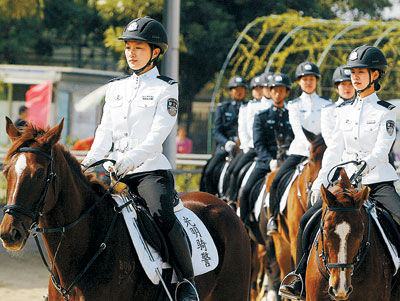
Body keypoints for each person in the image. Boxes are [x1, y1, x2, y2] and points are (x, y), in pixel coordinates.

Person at [81, 16, 199, 301]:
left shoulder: (165, 88)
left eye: (139, 48)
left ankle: (186, 281)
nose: (131, 53)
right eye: (128, 47)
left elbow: (157, 136)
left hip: (148, 172)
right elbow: (104, 131)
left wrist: (128, 161)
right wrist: (85, 164)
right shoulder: (116, 88)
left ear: (155, 52)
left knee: (160, 213)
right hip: (113, 171)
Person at [280, 45, 400, 299]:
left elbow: (381, 151)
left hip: (376, 182)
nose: (354, 77)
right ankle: (299, 276)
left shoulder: (387, 111)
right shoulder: (341, 112)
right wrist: (321, 180)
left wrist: (362, 169)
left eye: (360, 72)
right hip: (342, 183)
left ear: (375, 75)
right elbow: (334, 149)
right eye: (352, 72)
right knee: (306, 220)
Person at [267, 62, 331, 235]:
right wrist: (312, 147)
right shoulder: (293, 105)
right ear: (300, 82)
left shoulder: (327, 104)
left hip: (324, 153)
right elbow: (297, 130)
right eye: (305, 79)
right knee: (276, 181)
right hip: (300, 151)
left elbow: (328, 129)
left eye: (311, 79)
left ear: (316, 81)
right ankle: (273, 218)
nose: (308, 82)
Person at [239, 73, 293, 226]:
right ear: (269, 91)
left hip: (288, 161)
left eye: (282, 90)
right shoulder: (261, 117)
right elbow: (258, 144)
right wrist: (269, 161)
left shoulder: (292, 115)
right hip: (266, 161)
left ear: (287, 92)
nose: (278, 93)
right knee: (245, 191)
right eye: (274, 90)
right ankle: (243, 225)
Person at [223, 74, 272, 204]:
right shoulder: (250, 106)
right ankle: (232, 198)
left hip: (272, 149)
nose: (262, 90)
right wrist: (246, 146)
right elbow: (243, 129)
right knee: (234, 170)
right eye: (262, 87)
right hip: (252, 146)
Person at [202, 75, 247, 195]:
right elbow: (216, 131)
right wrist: (226, 142)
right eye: (236, 89)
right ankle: (210, 196)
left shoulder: (249, 108)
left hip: (243, 147)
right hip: (225, 148)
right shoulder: (223, 108)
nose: (239, 91)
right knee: (209, 171)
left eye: (242, 88)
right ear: (230, 91)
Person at [321, 66, 355, 146]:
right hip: (336, 153)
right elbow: (328, 137)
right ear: (337, 88)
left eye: (351, 84)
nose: (347, 88)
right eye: (343, 84)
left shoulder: (363, 107)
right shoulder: (328, 110)